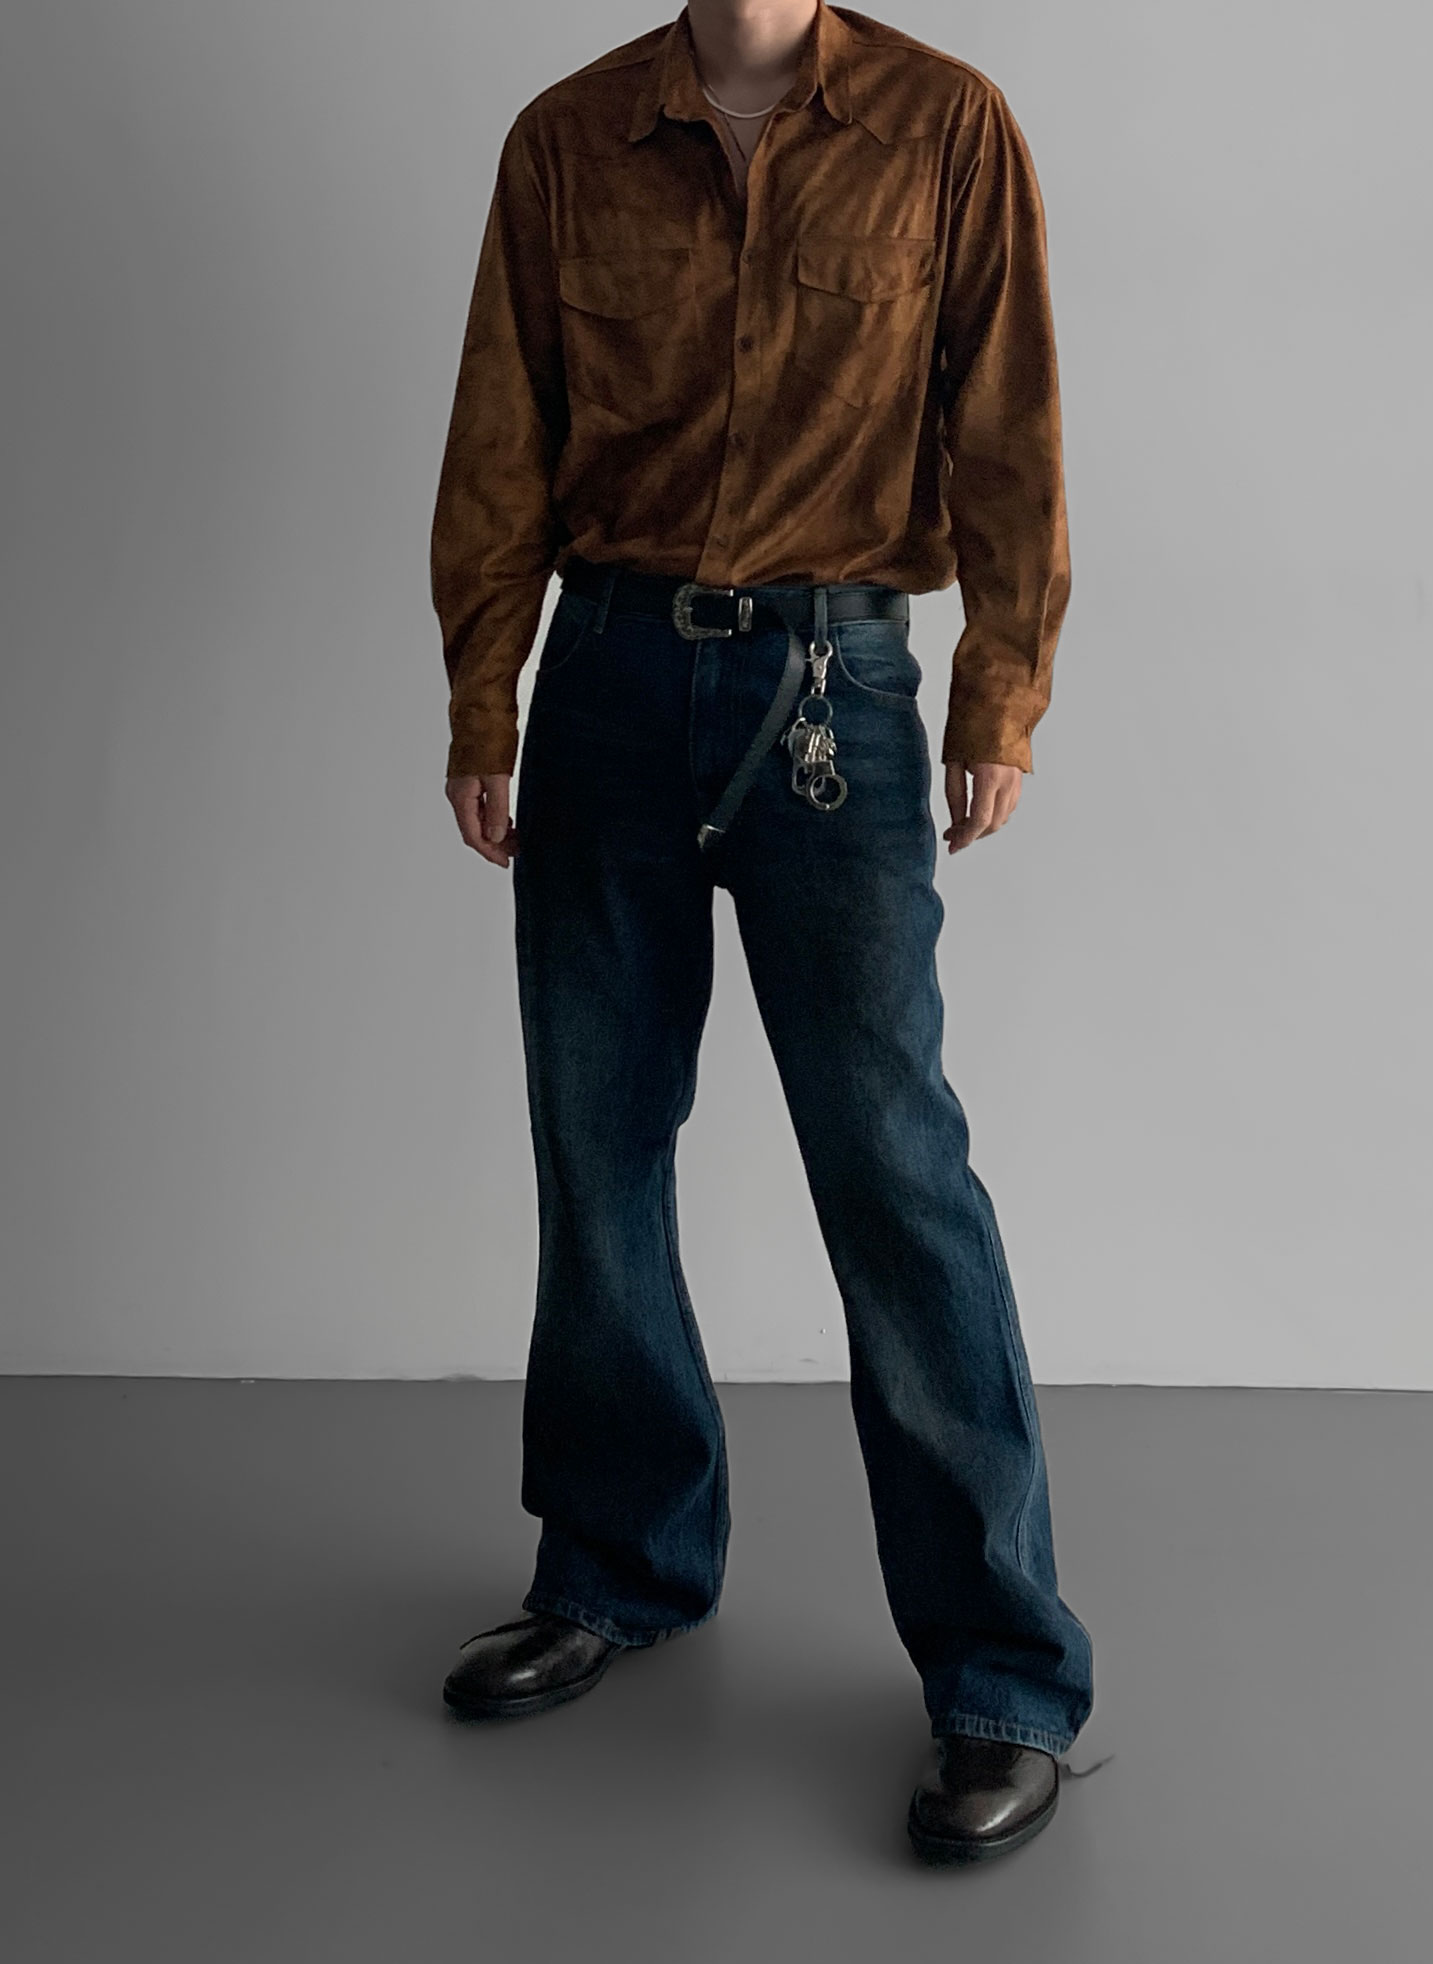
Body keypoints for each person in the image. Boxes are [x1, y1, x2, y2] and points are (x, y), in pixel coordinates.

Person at [428, 0, 1093, 1866]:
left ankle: (1004, 1675)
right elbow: (502, 432)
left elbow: (1011, 424)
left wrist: (1000, 694)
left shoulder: (946, 127)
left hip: (833, 690)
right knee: (598, 1141)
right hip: (608, 681)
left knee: (893, 1167)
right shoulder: (567, 139)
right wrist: (485, 698)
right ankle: (619, 1563)